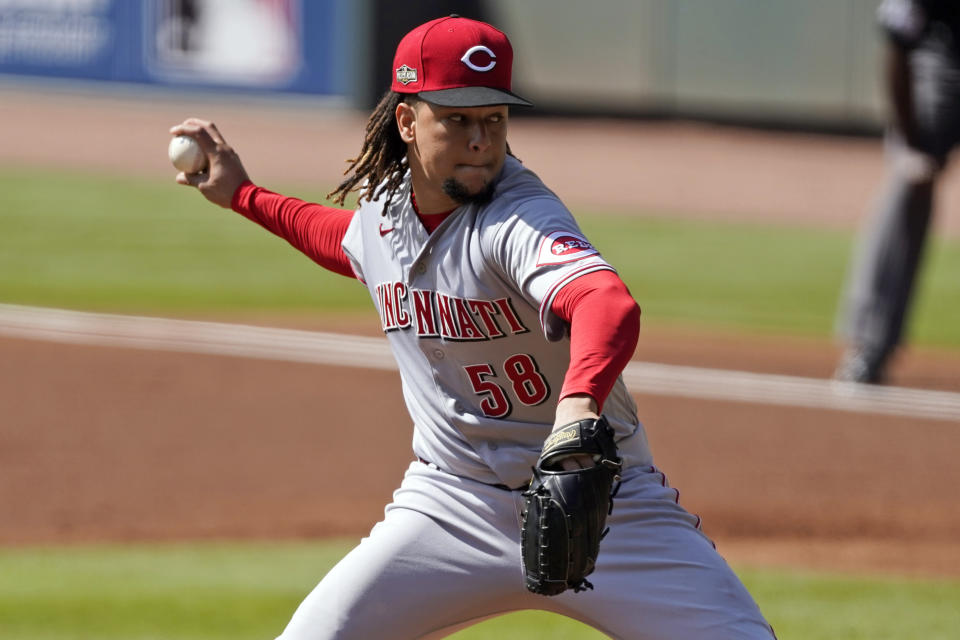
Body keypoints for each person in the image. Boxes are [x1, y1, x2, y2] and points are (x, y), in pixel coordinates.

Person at [170, 15, 775, 639]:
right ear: (407, 121)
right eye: (456, 119)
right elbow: (347, 243)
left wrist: (576, 408)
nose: (480, 140)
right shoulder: (385, 210)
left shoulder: (517, 219)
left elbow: (606, 302)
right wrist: (244, 194)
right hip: (449, 506)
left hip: (606, 508)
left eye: (493, 119)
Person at [836, 0, 960, 384]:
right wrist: (910, 141)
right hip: (943, 50)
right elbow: (898, 38)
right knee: (911, 180)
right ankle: (870, 343)